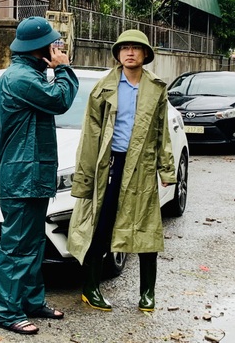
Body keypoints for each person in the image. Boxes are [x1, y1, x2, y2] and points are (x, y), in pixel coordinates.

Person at [67, 29, 176, 312]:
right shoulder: (104, 87)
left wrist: (167, 171)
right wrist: (85, 175)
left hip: (142, 166)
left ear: (145, 55)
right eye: (125, 48)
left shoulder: (156, 88)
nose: (130, 52)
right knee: (100, 227)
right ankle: (90, 289)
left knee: (147, 228)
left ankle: (148, 293)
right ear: (117, 54)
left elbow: (162, 132)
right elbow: (90, 135)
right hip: (110, 166)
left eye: (136, 48)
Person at [0, 16, 79, 335]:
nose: (57, 49)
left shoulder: (30, 75)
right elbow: (60, 100)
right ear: (39, 49)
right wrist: (64, 68)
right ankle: (9, 311)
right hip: (21, 174)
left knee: (31, 244)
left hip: (32, 173)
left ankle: (29, 301)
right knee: (16, 246)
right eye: (53, 45)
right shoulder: (20, 78)